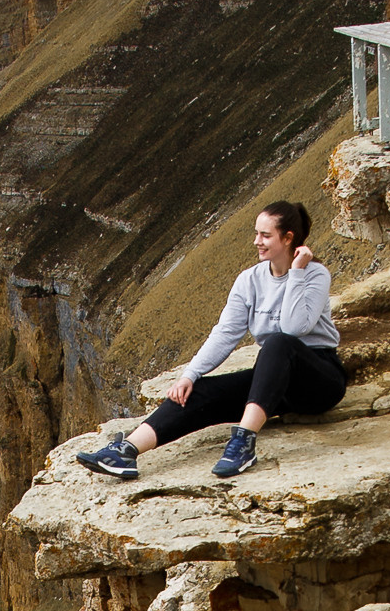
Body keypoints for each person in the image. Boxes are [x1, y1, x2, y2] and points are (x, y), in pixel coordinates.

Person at [76, 200, 345, 483]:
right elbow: (226, 333)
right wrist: (190, 375)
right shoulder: (249, 280)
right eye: (257, 234)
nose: (257, 242)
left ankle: (244, 443)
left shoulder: (315, 274)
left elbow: (294, 329)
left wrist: (297, 272)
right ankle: (126, 450)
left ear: (288, 237)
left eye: (265, 235)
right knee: (199, 391)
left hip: (319, 380)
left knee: (279, 342)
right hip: (275, 383)